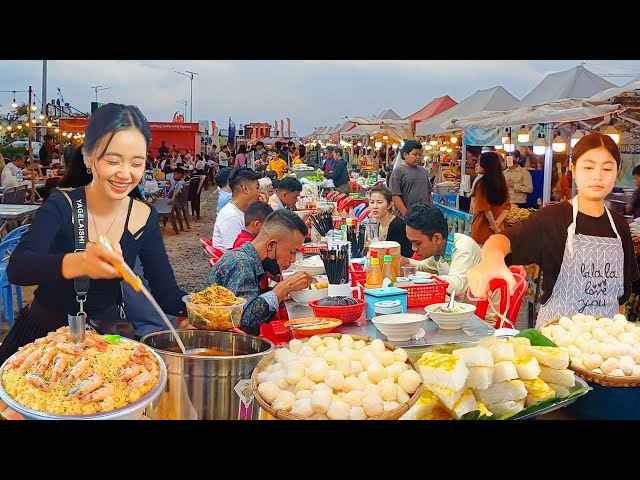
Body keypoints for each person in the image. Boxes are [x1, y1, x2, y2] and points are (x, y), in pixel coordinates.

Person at [0, 103, 189, 364]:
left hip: (105, 343)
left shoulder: (144, 216)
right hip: (44, 340)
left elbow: (164, 292)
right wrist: (78, 262)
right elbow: (19, 268)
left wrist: (200, 311)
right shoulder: (62, 204)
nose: (125, 174)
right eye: (113, 161)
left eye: (137, 162)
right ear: (89, 157)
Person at [467, 133, 640, 328]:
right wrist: (492, 259)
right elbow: (502, 241)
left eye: (607, 168)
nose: (598, 176)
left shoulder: (619, 227)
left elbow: (621, 298)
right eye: (589, 167)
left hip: (603, 345)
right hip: (557, 340)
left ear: (616, 172)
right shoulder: (552, 218)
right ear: (574, 169)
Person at [206, 209, 313, 335]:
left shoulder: (248, 259)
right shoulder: (241, 263)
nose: (293, 260)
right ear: (271, 245)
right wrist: (284, 287)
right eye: (292, 252)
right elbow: (242, 320)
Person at [401, 203, 482, 300]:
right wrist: (406, 262)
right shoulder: (440, 249)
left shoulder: (462, 249)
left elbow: (456, 286)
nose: (413, 248)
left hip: (484, 313)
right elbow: (424, 266)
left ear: (437, 238)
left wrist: (416, 276)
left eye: (417, 243)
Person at [211, 168, 261, 251]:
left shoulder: (241, 210)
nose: (259, 193)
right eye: (257, 188)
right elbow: (239, 253)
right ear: (245, 188)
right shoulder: (231, 216)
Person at [470, 151, 511, 246]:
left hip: (482, 228)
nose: (477, 165)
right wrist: (497, 224)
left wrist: (493, 225)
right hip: (500, 229)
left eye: (480, 162)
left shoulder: (481, 184)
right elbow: (507, 206)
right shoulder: (502, 183)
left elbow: (485, 209)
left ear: (486, 165)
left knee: (482, 258)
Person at [388, 140, 433, 216]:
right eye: (415, 154)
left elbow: (428, 193)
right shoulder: (398, 172)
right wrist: (406, 214)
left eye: (419, 154)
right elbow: (395, 196)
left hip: (424, 216)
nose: (418, 157)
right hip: (405, 218)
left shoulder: (422, 171)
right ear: (405, 155)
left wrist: (431, 210)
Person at [368, 184, 413, 257]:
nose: (374, 206)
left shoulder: (398, 225)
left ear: (389, 205)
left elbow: (398, 254)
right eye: (372, 202)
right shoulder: (379, 224)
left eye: (379, 202)